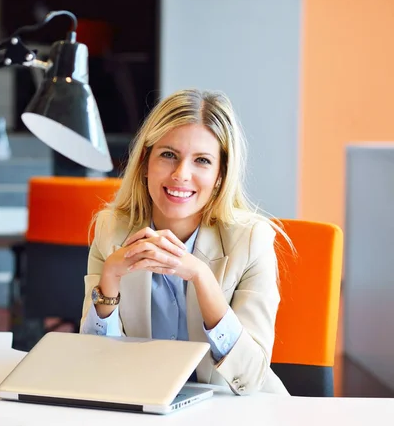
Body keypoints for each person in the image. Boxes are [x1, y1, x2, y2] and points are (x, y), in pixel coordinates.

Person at [79, 88, 292, 396]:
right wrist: (109, 279)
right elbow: (93, 363)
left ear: (221, 174)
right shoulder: (111, 231)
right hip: (145, 407)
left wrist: (201, 277)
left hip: (235, 410)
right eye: (168, 155)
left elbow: (250, 377)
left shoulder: (251, 241)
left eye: (202, 161)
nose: (181, 174)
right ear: (144, 163)